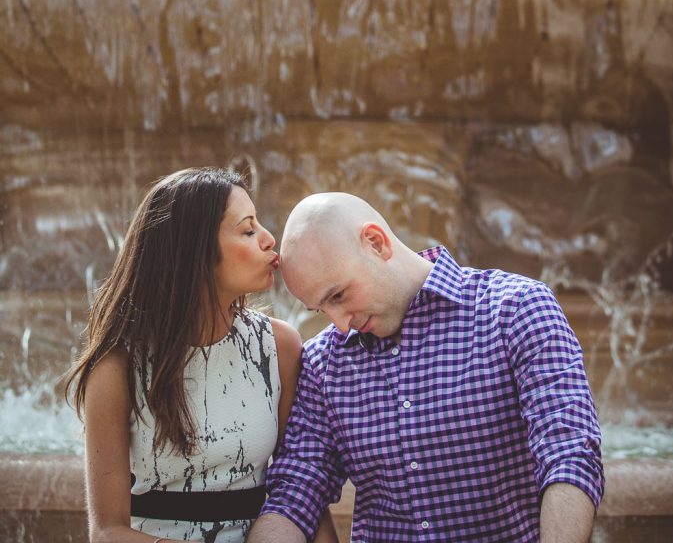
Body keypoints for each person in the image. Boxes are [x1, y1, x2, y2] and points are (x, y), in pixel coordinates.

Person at [247, 192, 605, 543]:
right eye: (322, 309)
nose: (340, 324)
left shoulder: (516, 309)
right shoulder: (323, 362)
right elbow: (295, 492)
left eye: (338, 296)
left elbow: (569, 453)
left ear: (376, 242)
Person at [64, 167, 338, 543]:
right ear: (195, 250)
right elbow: (108, 531)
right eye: (247, 230)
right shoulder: (116, 368)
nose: (269, 239)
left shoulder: (280, 347)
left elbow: (303, 487)